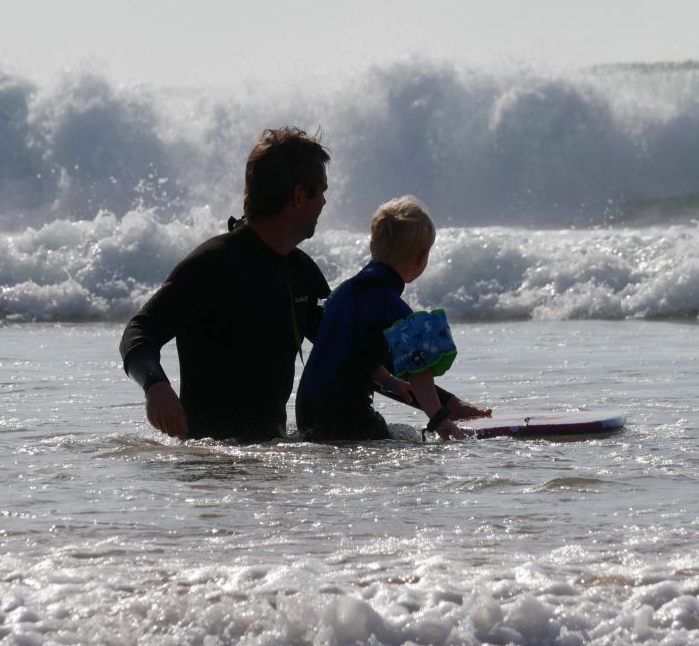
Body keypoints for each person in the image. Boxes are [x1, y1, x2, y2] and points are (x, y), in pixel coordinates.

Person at [120, 128, 483, 441]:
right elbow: (140, 331)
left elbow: (350, 355)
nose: (325, 201)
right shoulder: (213, 264)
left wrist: (445, 404)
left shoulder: (300, 272)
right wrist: (156, 387)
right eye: (321, 191)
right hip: (210, 456)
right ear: (298, 197)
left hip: (273, 455)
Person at [295, 195, 488, 441]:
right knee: (397, 442)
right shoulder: (390, 304)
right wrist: (440, 419)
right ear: (421, 258)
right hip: (347, 416)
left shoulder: (344, 293)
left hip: (308, 411)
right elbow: (419, 370)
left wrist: (389, 382)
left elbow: (352, 351)